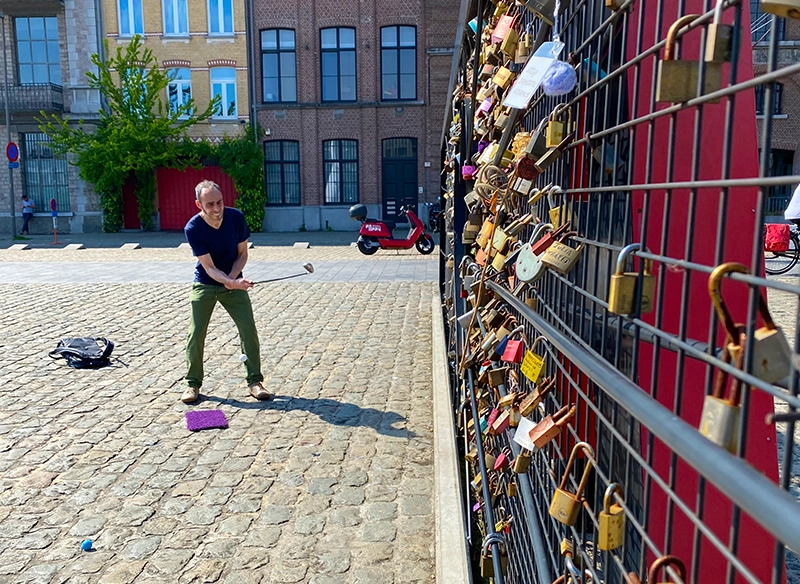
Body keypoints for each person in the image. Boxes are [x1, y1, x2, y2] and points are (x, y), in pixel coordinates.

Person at [181, 179, 270, 404]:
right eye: (210, 204)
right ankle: (193, 384)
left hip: (233, 279)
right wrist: (229, 282)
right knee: (196, 333)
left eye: (219, 202)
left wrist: (232, 280)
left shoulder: (236, 218)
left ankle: (255, 382)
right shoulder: (193, 228)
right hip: (205, 283)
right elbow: (208, 267)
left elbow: (242, 254)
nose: (217, 209)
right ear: (198, 205)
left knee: (248, 329)